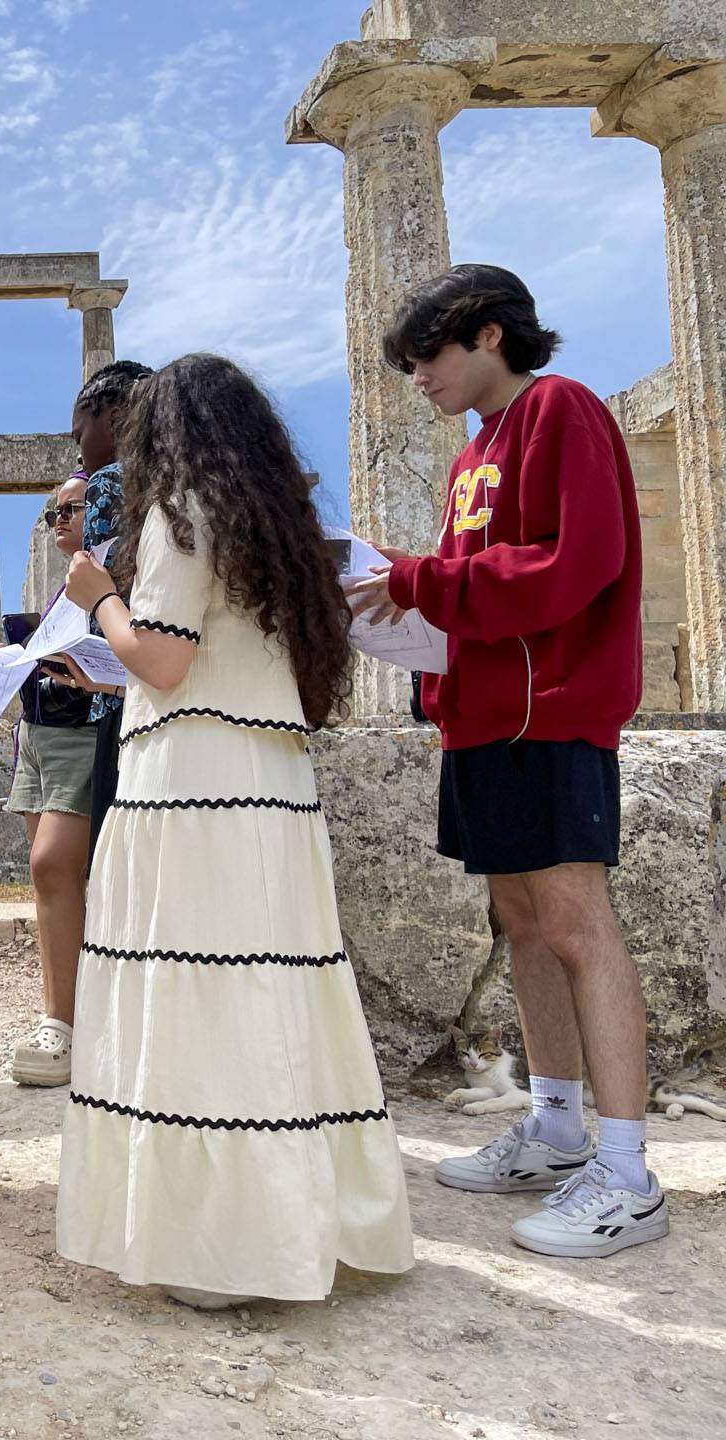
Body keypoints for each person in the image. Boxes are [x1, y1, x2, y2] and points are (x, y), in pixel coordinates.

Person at [54, 353, 413, 1307]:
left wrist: (99, 600)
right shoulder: (280, 528)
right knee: (278, 994)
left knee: (199, 1001)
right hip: (271, 780)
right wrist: (116, 664)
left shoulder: (178, 514)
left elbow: (165, 663)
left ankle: (220, 1246)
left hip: (192, 788)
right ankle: (304, 1220)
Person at [349, 263, 660, 1259]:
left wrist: (420, 577)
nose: (416, 378)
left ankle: (628, 1171)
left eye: (425, 355)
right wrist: (409, 607)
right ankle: (559, 1128)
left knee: (576, 917)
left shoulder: (560, 411)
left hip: (556, 713)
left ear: (487, 335)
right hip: (483, 718)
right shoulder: (472, 456)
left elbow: (579, 564)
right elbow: (470, 591)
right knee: (521, 919)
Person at [4, 361, 151, 1087]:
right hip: (102, 703)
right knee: (75, 870)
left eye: (80, 430)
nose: (77, 450)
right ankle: (85, 1016)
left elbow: (111, 597)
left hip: (115, 703)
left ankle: (71, 1021)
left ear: (114, 415)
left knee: (68, 865)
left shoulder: (116, 485)